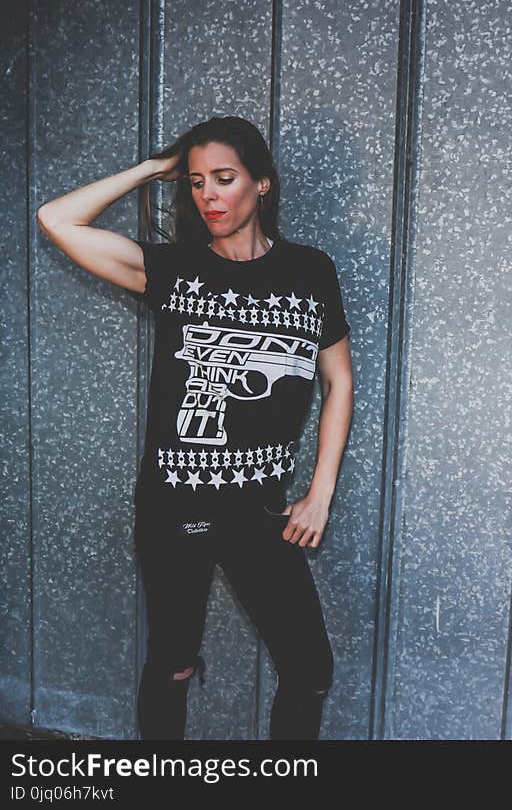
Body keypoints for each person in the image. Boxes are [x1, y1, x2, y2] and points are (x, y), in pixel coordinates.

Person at [36, 116, 354, 740]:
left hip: (261, 509)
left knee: (310, 666)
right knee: (174, 664)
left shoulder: (310, 271)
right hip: (176, 504)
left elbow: (337, 380)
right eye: (196, 181)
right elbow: (57, 219)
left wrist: (320, 494)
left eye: (226, 179)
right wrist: (157, 167)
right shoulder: (175, 271)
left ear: (262, 185)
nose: (208, 194)